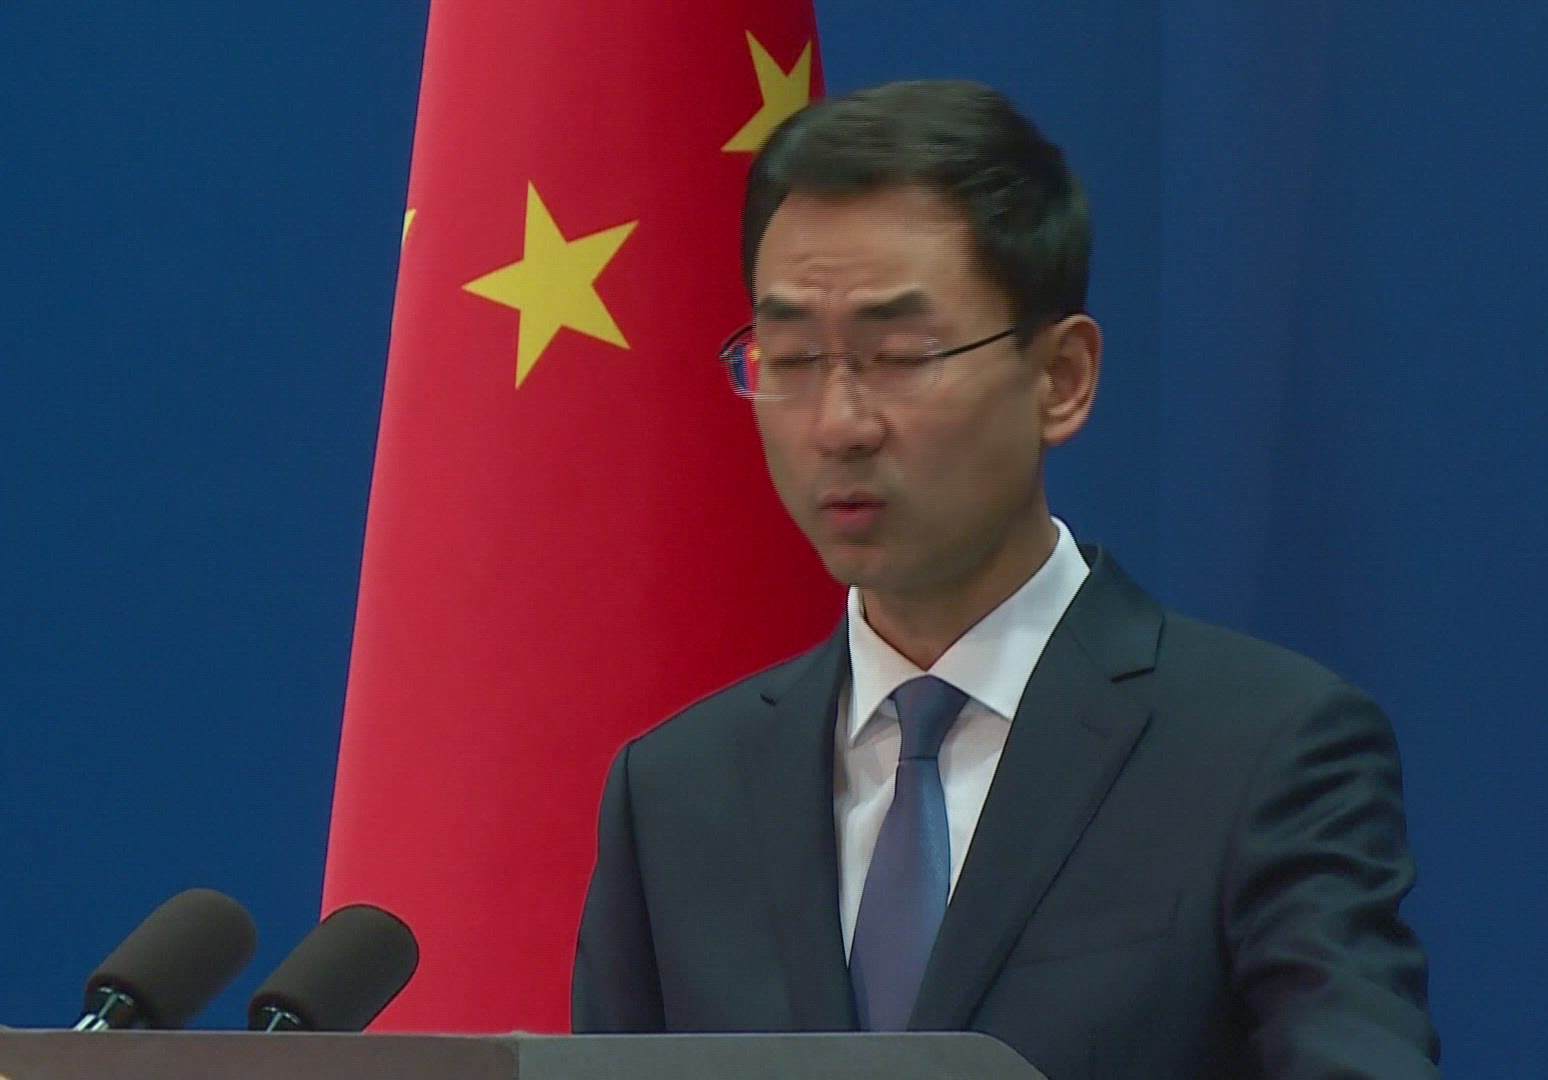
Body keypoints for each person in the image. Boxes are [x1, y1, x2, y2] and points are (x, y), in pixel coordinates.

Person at [573, 80, 1439, 1080]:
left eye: (900, 355)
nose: (839, 424)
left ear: (1061, 378)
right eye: (796, 357)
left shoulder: (1262, 752)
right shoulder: (677, 794)